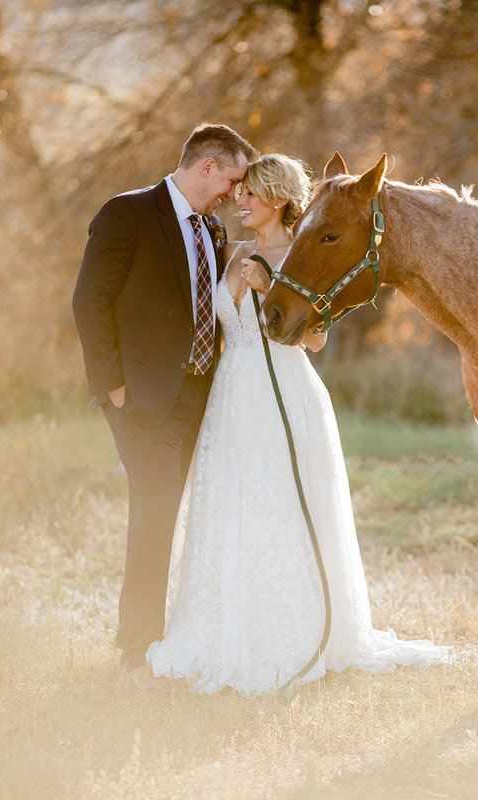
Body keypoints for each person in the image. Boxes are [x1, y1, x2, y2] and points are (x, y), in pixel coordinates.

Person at [146, 153, 451, 694]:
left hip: (282, 393)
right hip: (230, 397)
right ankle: (220, 628)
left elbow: (314, 339)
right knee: (228, 506)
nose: (241, 202)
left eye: (252, 195)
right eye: (239, 194)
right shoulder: (230, 250)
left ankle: (292, 631)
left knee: (280, 507)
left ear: (281, 198)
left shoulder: (300, 255)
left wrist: (268, 289)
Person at [72, 123, 258, 686]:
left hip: (196, 401)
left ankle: (167, 637)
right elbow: (89, 300)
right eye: (231, 179)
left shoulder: (214, 230)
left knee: (176, 518)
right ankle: (136, 652)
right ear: (207, 166)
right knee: (154, 515)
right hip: (140, 401)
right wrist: (113, 386)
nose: (234, 192)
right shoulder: (126, 213)